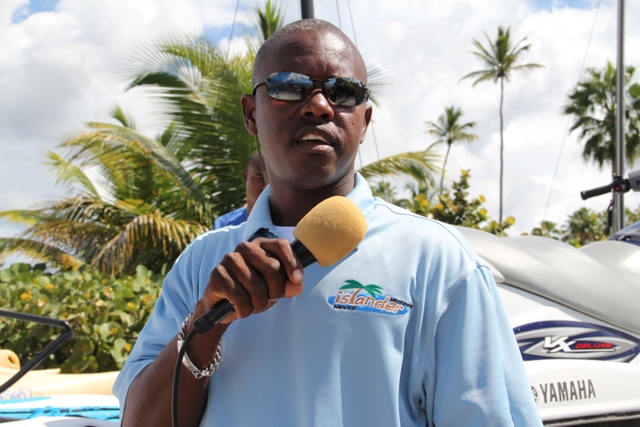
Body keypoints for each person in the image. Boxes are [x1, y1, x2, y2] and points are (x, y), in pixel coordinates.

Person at [113, 19, 542, 427]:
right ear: (250, 114)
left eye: (344, 92)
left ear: (365, 121)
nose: (319, 106)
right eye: (288, 87)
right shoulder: (202, 262)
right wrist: (207, 322)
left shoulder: (438, 261)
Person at [213, 151, 266, 229]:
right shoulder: (223, 226)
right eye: (261, 178)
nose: (266, 187)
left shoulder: (289, 227)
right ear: (245, 176)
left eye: (274, 181)